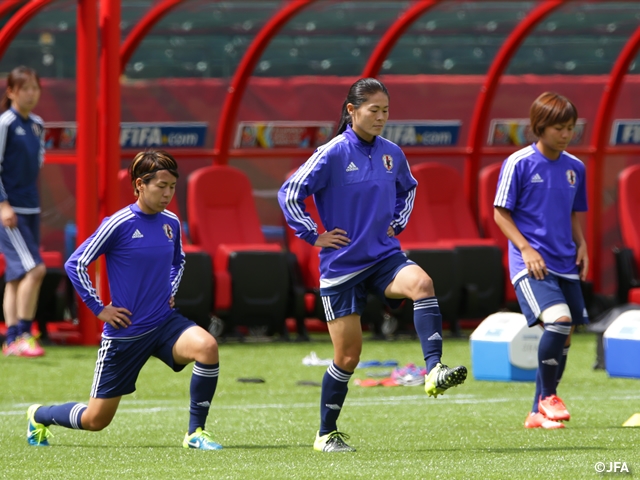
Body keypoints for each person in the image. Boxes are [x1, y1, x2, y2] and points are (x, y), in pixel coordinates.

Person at [278, 78, 467, 452]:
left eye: (386, 111)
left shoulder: (391, 152)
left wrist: (398, 221)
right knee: (348, 357)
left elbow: (408, 188)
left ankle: (434, 370)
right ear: (352, 111)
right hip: (342, 267)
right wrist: (312, 234)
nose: (381, 118)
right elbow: (291, 193)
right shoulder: (331, 153)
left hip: (383, 256)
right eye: (373, 110)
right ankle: (326, 433)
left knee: (422, 284)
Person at [26, 150, 223, 450]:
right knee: (96, 420)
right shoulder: (118, 224)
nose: (168, 194)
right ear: (140, 185)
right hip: (126, 333)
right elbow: (76, 264)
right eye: (161, 186)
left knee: (207, 347)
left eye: (172, 187)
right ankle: (39, 415)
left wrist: (170, 290)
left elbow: (178, 261)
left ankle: (195, 433)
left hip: (164, 323)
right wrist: (99, 309)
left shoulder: (171, 222)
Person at [494, 91, 589, 430]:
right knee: (559, 321)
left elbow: (573, 214)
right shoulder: (518, 162)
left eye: (570, 128)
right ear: (539, 127)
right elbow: (500, 213)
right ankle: (548, 397)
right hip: (531, 264)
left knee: (565, 335)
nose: (566, 135)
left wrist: (583, 246)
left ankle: (538, 411)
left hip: (566, 261)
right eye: (559, 128)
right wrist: (525, 248)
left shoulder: (575, 167)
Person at [0, 66, 46, 357]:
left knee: (17, 275)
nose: (31, 94)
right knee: (35, 269)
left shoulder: (38, 124)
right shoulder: (5, 122)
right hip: (10, 210)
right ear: (11, 92)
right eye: (24, 88)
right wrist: (3, 204)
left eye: (34, 88)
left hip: (31, 207)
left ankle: (11, 340)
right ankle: (23, 334)